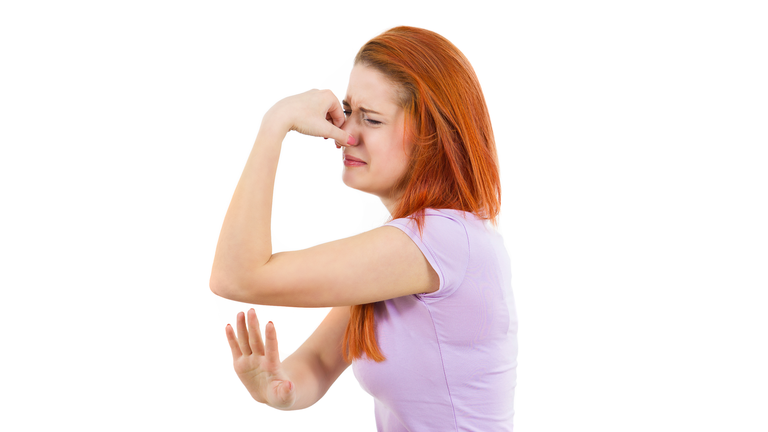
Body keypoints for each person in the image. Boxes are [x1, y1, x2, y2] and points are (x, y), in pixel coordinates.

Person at [210, 26, 518, 431]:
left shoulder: (442, 241)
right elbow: (319, 363)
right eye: (348, 109)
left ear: (433, 137)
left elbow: (238, 276)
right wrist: (278, 387)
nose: (345, 134)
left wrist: (275, 124)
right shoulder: (412, 247)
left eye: (371, 119)